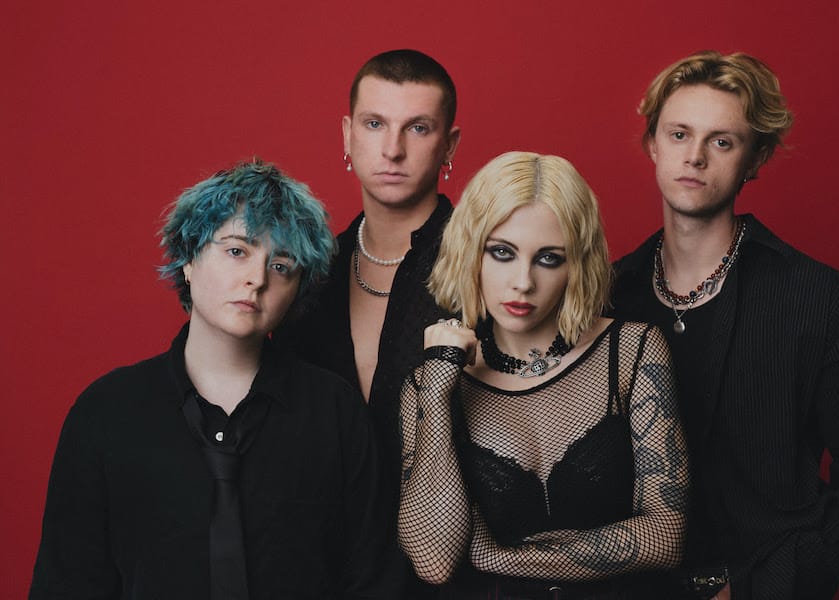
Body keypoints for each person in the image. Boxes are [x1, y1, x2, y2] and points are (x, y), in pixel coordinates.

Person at [609, 51, 839, 600]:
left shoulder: (816, 297)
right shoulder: (607, 295)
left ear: (755, 158)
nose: (696, 157)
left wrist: (779, 581)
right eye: (680, 134)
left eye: (722, 141)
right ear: (653, 145)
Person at [30, 160, 394, 599]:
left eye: (281, 266)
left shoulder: (335, 411)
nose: (256, 279)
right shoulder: (105, 413)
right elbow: (67, 583)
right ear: (188, 259)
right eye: (237, 251)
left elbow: (372, 580)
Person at [398, 151, 690, 598]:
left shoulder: (632, 351)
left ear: (578, 265)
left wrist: (503, 557)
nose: (522, 282)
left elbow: (665, 538)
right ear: (471, 253)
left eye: (549, 259)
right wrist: (438, 393)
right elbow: (434, 562)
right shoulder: (431, 386)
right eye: (502, 253)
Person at [276, 49, 461, 596]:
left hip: (455, 577)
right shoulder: (305, 282)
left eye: (418, 128)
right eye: (374, 123)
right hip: (329, 575)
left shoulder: (491, 270)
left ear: (449, 145)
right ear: (346, 134)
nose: (393, 149)